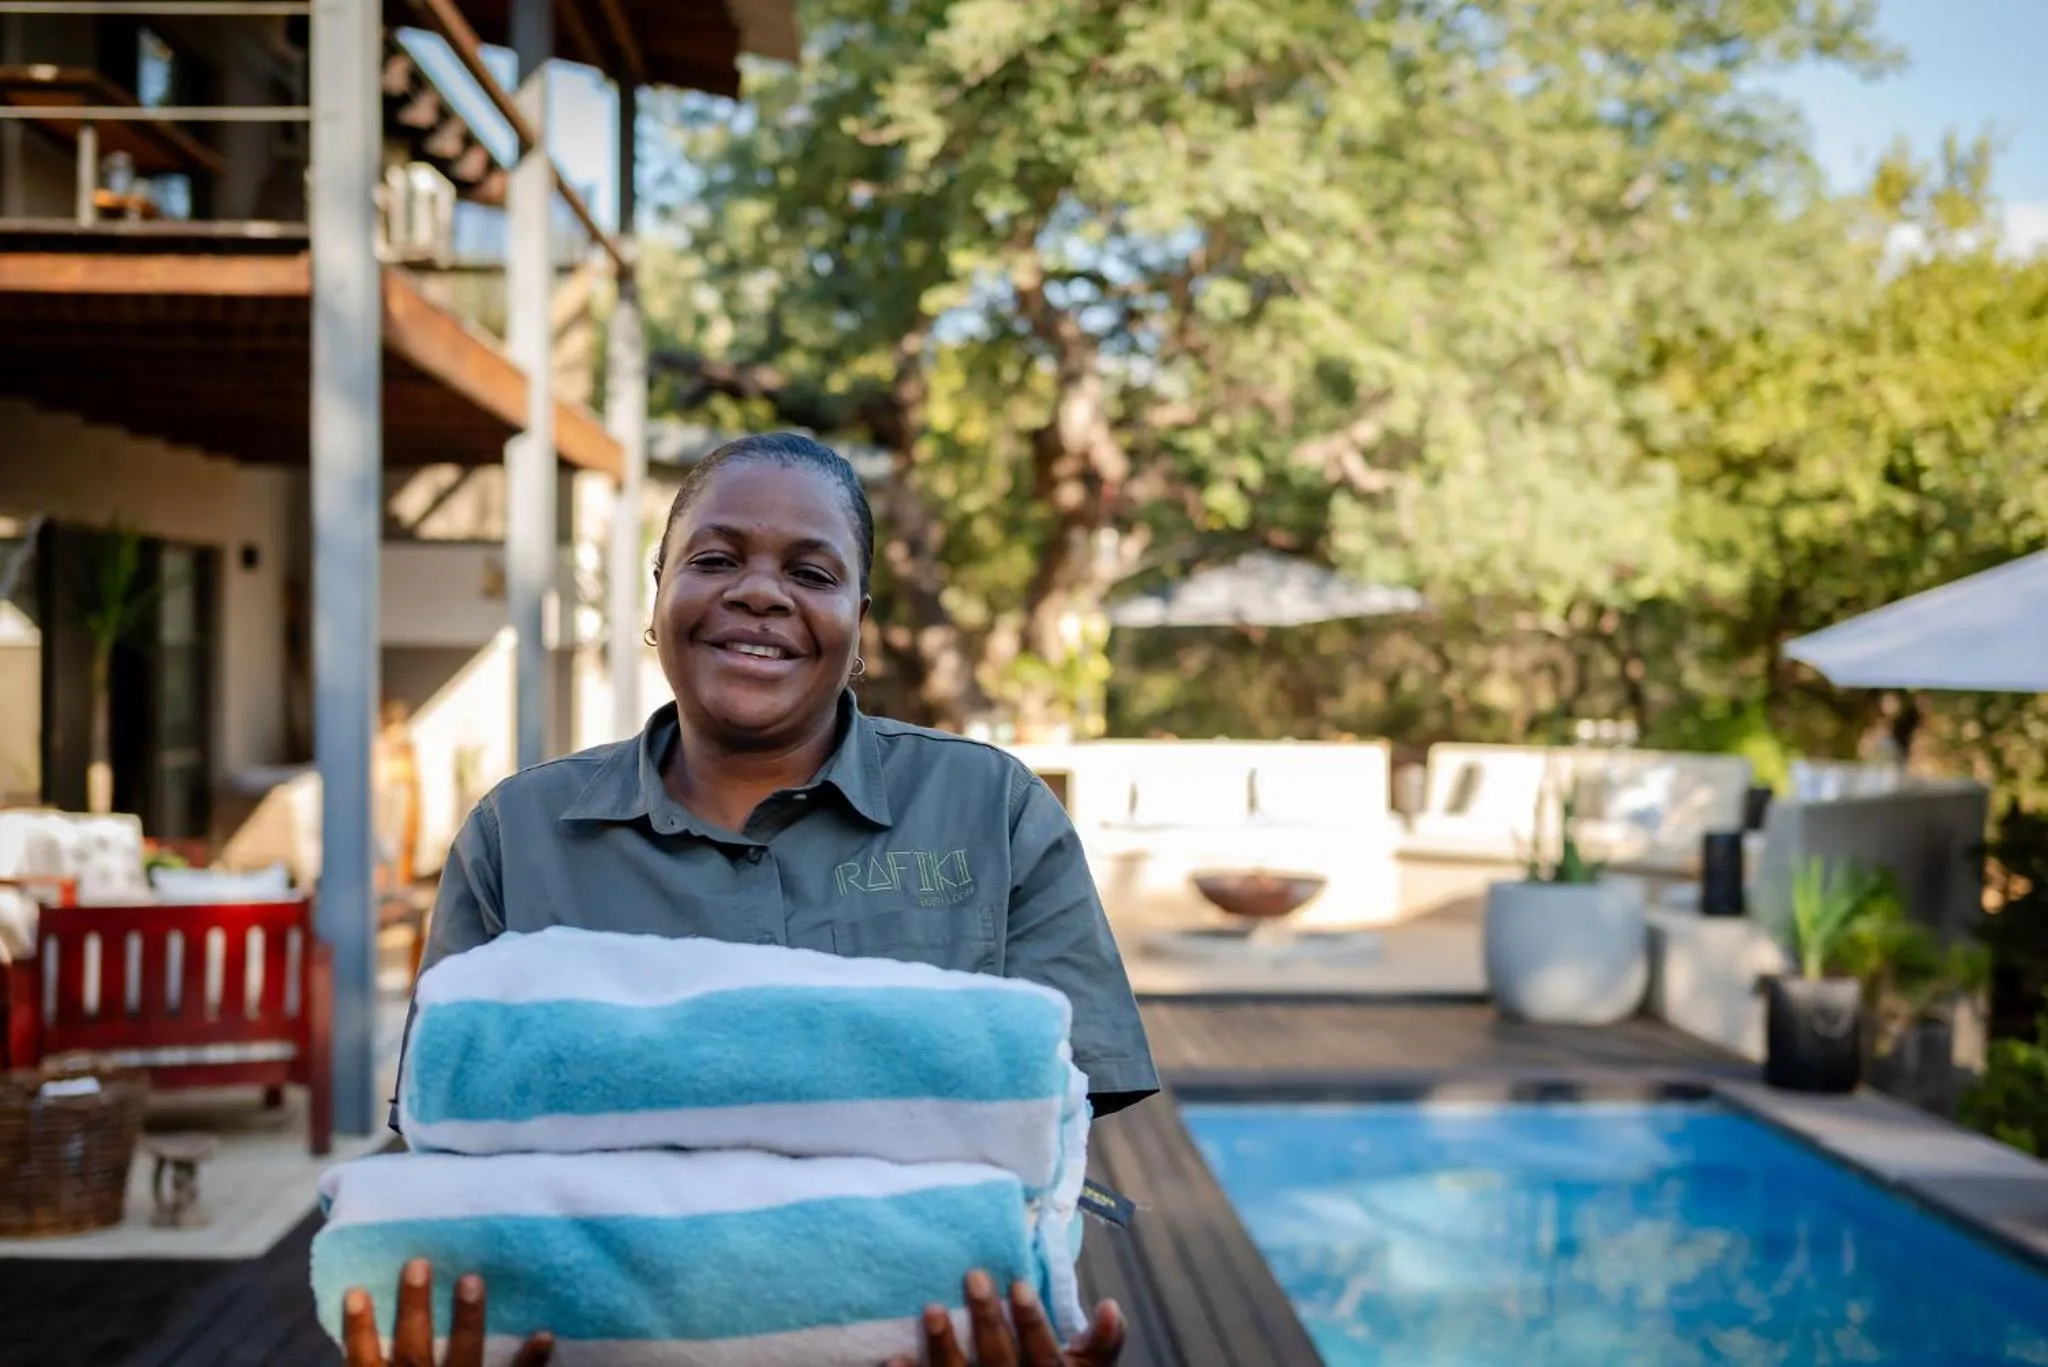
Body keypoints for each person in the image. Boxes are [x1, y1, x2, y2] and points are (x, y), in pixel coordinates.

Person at [348, 432, 1157, 1367]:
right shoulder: (518, 837)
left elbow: (1051, 1137)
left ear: (858, 617)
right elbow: (453, 1144)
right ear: (656, 595)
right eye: (716, 558)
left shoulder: (992, 812)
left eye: (810, 572)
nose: (760, 592)